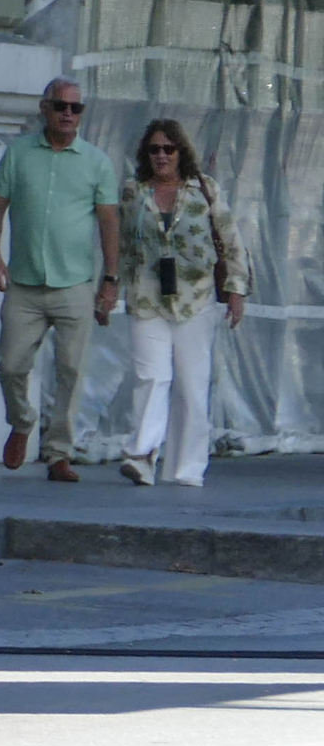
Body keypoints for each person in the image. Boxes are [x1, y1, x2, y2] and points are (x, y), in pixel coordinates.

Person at [0, 76, 122, 482]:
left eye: (75, 108)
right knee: (10, 365)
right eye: (60, 106)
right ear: (44, 109)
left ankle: (59, 452)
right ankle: (22, 422)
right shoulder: (19, 154)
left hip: (75, 283)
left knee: (71, 370)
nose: (67, 114)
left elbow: (109, 222)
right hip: (24, 282)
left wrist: (110, 280)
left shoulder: (96, 161)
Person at [114, 119, 247, 487]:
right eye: (154, 149)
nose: (161, 156)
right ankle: (141, 455)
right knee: (152, 376)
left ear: (180, 152)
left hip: (196, 299)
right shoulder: (132, 193)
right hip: (146, 296)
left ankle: (185, 469)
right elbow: (121, 247)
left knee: (191, 386)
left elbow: (231, 241)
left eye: (168, 149)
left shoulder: (204, 190)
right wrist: (109, 286)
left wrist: (236, 290)